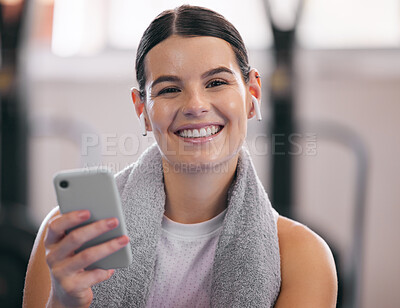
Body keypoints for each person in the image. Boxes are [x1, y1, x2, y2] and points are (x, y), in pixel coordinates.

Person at [23, 5, 337, 308]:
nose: (195, 105)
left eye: (216, 82)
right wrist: (63, 304)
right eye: (169, 89)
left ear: (252, 94)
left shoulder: (303, 256)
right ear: (142, 110)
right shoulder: (69, 239)